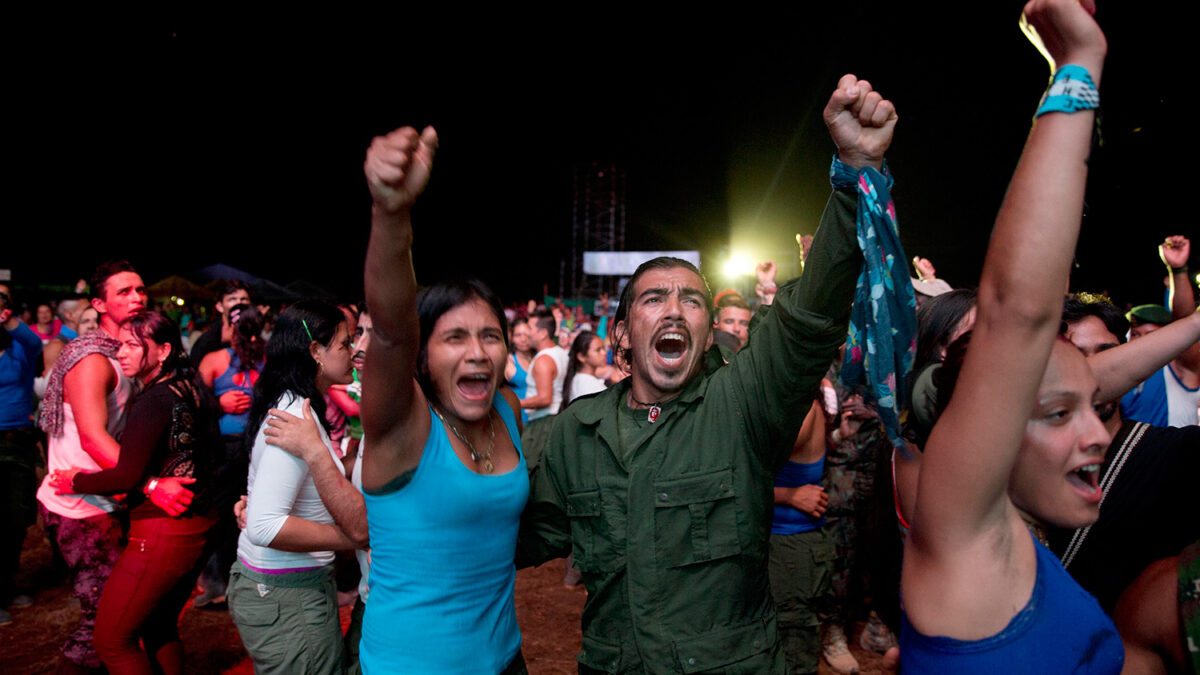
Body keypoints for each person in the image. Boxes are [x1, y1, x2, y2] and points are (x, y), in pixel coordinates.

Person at [517, 74, 896, 673]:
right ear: (621, 333)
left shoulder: (741, 405)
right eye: (653, 299)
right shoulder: (575, 433)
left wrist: (853, 176)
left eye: (690, 299)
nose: (673, 308)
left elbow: (806, 320)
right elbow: (501, 533)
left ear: (706, 325)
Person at [898, 1, 1123, 671]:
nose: (1101, 434)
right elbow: (1017, 313)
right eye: (1058, 413)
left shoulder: (1024, 539)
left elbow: (1101, 369)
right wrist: (1080, 65)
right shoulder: (964, 534)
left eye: (1098, 405)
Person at [358, 125, 528, 673]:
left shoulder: (508, 409)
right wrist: (391, 214)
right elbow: (389, 330)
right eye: (455, 337)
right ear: (424, 356)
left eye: (490, 336)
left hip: (506, 659)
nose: (478, 352)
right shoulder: (402, 426)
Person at [37, 261, 192, 673]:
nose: (137, 297)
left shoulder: (125, 352)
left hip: (110, 496)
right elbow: (92, 438)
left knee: (133, 616)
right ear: (98, 304)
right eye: (123, 292)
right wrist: (152, 485)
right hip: (80, 505)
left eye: (140, 290)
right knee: (104, 626)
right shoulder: (92, 360)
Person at [226, 300, 366, 674]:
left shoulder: (302, 405)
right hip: (286, 595)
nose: (352, 352)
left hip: (288, 589)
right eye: (344, 344)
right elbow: (265, 525)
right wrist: (354, 538)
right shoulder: (292, 416)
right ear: (316, 352)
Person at [195, 302, 266, 608]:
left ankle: (225, 581)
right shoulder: (265, 359)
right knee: (247, 511)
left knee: (227, 514)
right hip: (247, 447)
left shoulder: (215, 360)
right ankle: (231, 580)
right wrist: (219, 403)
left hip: (238, 449)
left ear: (231, 326)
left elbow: (191, 401)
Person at [1120, 235, 1199, 427]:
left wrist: (1178, 271)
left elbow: (1186, 325)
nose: (1141, 342)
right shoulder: (1118, 372)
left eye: (1151, 336)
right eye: (1136, 334)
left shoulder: (1178, 368)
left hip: (1174, 457)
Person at [0, 288, 42, 626]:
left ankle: (7, 583)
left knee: (17, 518)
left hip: (19, 442)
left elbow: (34, 342)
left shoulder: (20, 347)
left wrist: (6, 315)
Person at [189, 280, 252, 367]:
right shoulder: (208, 341)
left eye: (244, 299)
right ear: (220, 307)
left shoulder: (253, 337)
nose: (239, 303)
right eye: (232, 299)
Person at [562, 330, 608, 405]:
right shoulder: (591, 386)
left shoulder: (579, 379)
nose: (604, 353)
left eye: (603, 348)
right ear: (581, 357)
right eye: (598, 350)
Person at [504, 316, 534, 424]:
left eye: (527, 334)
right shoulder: (508, 360)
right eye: (518, 335)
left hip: (539, 419)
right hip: (517, 420)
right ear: (511, 337)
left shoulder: (540, 358)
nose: (523, 339)